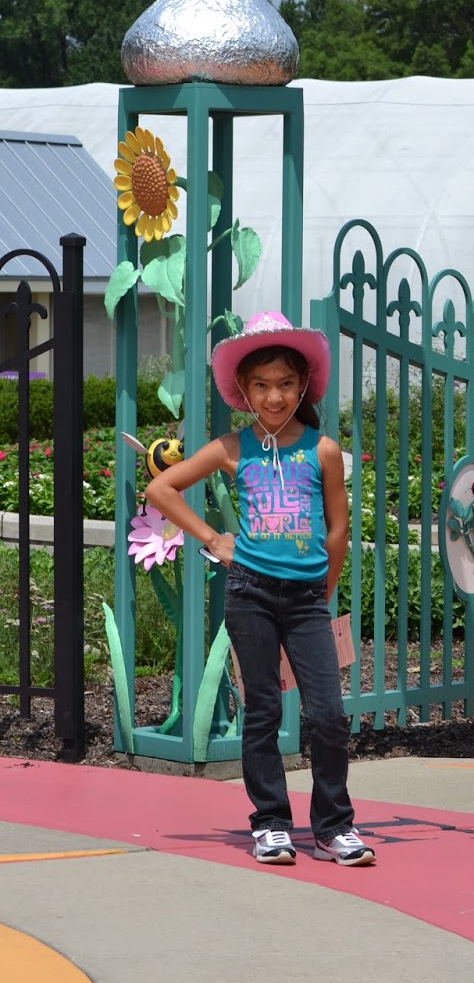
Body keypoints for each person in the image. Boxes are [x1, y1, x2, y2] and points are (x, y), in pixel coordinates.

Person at [145, 310, 375, 868]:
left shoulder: (321, 450)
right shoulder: (230, 448)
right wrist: (212, 539)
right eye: (262, 386)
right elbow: (161, 487)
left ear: (303, 388)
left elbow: (339, 528)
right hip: (249, 592)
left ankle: (333, 827)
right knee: (263, 710)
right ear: (244, 392)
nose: (274, 396)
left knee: (327, 714)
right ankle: (271, 823)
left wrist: (325, 589)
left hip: (304, 600)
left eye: (286, 384)